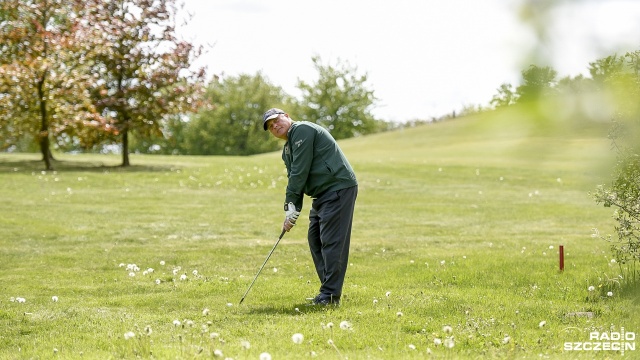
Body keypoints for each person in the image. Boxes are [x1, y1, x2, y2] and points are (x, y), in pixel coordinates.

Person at [262, 108, 358, 306]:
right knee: (315, 238)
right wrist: (291, 212)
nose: (275, 126)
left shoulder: (302, 130)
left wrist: (290, 205)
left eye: (276, 121)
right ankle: (328, 292)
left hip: (338, 187)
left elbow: (299, 172)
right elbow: (294, 178)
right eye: (271, 127)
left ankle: (330, 296)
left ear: (286, 116)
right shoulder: (286, 150)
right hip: (321, 194)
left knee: (331, 241)